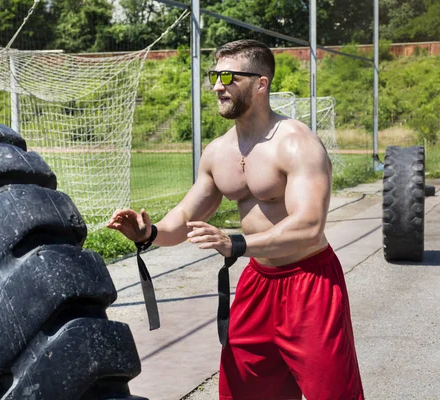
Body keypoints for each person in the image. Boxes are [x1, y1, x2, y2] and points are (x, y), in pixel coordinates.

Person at [107, 39, 364, 400]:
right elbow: (184, 216)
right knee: (243, 391)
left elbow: (309, 226)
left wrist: (235, 244)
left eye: (228, 76)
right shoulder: (217, 152)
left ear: (261, 83)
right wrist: (149, 232)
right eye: (214, 75)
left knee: (332, 393)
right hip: (257, 283)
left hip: (309, 282)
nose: (216, 86)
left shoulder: (295, 143)